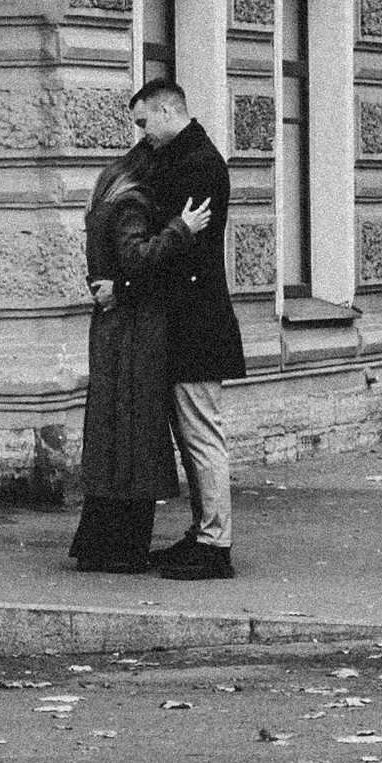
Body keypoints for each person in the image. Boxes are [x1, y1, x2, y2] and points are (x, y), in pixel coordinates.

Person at [126, 71, 247, 581]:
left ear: (168, 111)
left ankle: (214, 542)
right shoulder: (188, 158)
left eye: (144, 121)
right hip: (190, 318)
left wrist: (130, 282)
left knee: (201, 435)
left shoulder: (194, 165)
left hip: (195, 320)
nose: (142, 133)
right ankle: (202, 534)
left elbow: (179, 251)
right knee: (192, 434)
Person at [68, 136, 199, 575]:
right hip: (134, 329)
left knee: (111, 432)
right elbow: (137, 257)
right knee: (136, 432)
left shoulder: (106, 193)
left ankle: (97, 545)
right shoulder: (134, 203)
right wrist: (182, 228)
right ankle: (123, 548)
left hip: (112, 329)